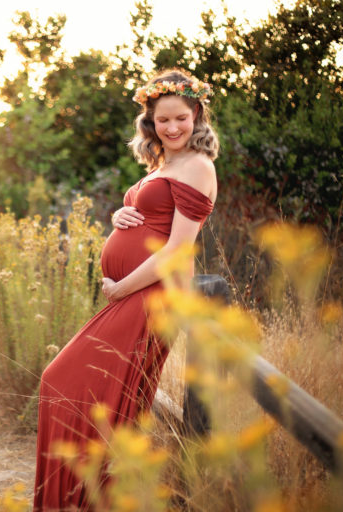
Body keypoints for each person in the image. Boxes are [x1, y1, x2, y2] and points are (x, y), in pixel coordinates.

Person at [33, 68, 220, 511]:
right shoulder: (165, 164)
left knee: (63, 382)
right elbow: (152, 213)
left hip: (152, 296)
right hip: (135, 293)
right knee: (96, 397)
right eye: (163, 120)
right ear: (150, 123)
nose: (172, 128)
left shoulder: (198, 165)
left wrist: (120, 288)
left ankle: (78, 500)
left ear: (196, 115)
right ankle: (91, 498)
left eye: (181, 118)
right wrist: (121, 213)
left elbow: (177, 249)